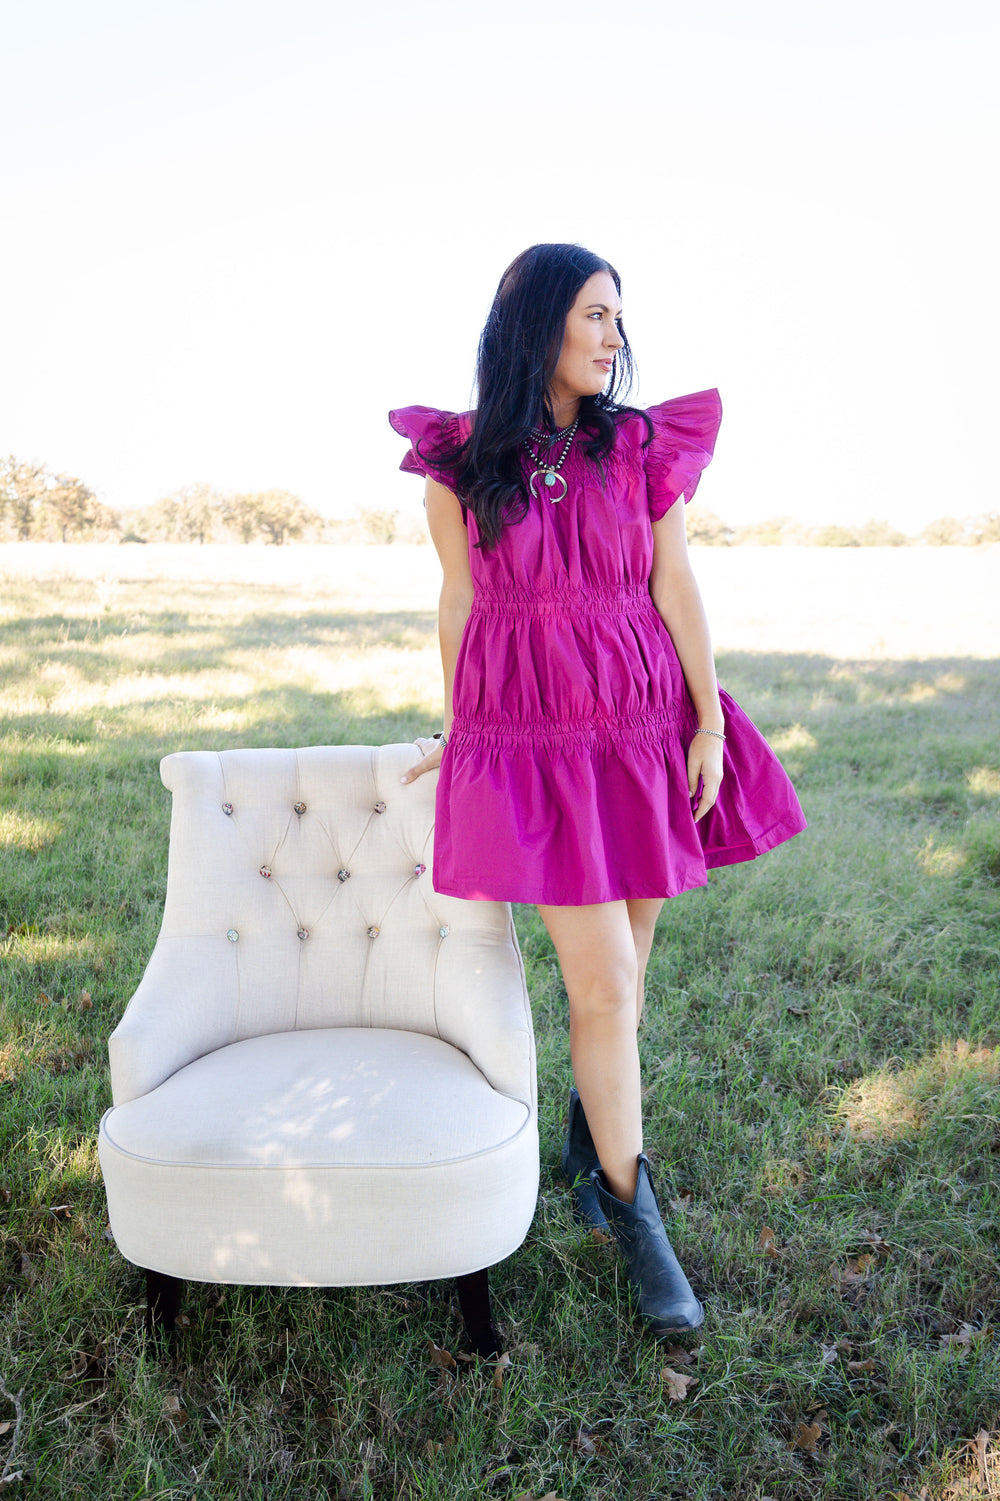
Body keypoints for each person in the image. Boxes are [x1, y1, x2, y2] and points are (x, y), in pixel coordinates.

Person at [389, 243, 805, 1338]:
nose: (614, 336)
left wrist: (707, 718)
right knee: (608, 986)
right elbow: (459, 606)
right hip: (539, 736)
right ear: (537, 324)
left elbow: (674, 579)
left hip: (643, 725)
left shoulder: (633, 444)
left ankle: (594, 1153)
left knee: (623, 980)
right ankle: (634, 1214)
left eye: (619, 316)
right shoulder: (464, 460)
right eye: (593, 315)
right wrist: (460, 726)